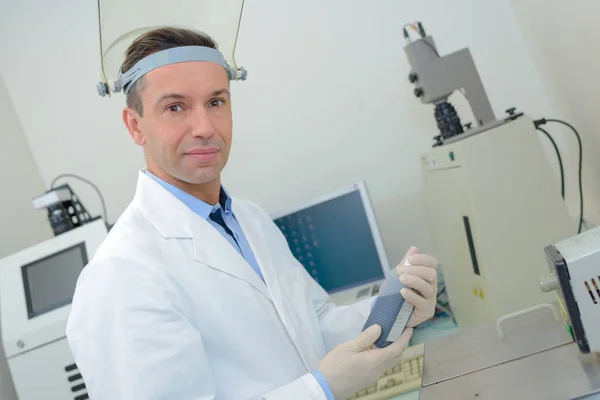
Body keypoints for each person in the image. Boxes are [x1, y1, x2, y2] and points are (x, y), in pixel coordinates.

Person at [66, 26, 439, 400]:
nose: (204, 128)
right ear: (136, 126)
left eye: (216, 102)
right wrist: (320, 389)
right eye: (175, 107)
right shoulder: (119, 275)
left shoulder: (249, 220)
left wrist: (393, 307)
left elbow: (315, 325)